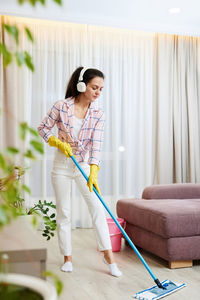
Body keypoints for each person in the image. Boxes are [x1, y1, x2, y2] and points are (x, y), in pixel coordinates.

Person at [38, 66, 122, 277]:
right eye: (95, 87)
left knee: (97, 209)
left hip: (83, 165)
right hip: (61, 167)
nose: (98, 92)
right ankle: (67, 257)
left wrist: (94, 171)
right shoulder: (61, 106)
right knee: (64, 212)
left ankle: (109, 257)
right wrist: (56, 142)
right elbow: (42, 128)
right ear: (82, 85)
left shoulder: (98, 114)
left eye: (101, 89)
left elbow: (97, 145)